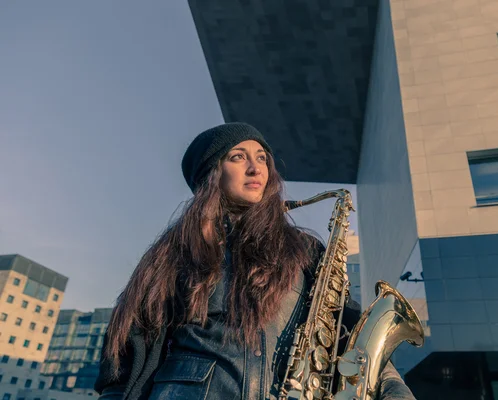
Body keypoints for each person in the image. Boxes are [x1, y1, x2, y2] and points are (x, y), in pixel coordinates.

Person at [94, 122, 417, 399]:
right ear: (211, 173)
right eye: (238, 157)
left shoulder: (305, 249)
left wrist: (393, 390)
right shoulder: (175, 250)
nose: (256, 168)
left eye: (262, 158)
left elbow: (353, 339)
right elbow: (127, 351)